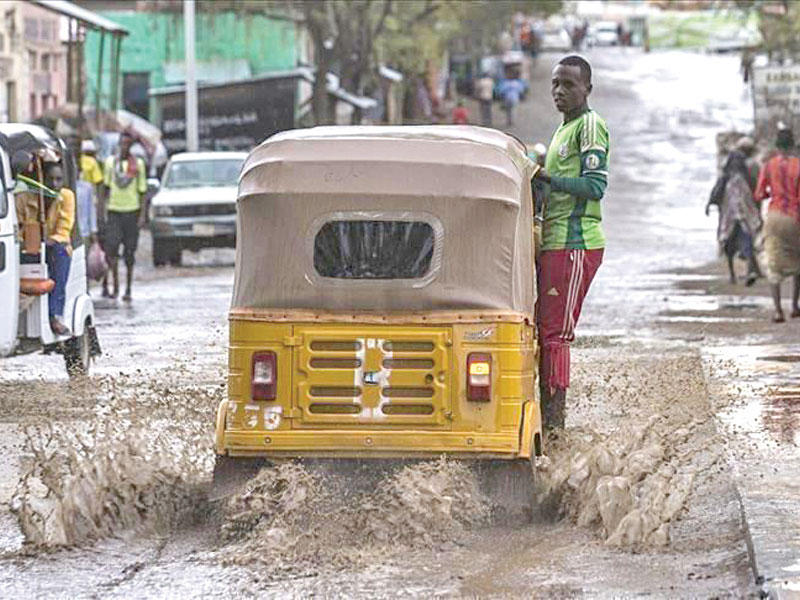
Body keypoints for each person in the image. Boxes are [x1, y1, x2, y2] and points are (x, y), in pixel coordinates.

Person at [532, 55, 609, 429]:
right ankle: (546, 420)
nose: (559, 91)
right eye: (555, 84)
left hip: (575, 243)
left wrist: (548, 178)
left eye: (569, 85)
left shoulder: (591, 126)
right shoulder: (561, 130)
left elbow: (595, 186)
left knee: (556, 336)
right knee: (543, 332)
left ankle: (555, 429)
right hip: (554, 241)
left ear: (587, 89)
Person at [753, 127, 800, 322]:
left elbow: (759, 194)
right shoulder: (799, 165)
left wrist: (771, 193)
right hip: (794, 217)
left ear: (777, 146)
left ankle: (778, 311)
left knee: (773, 263)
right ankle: (795, 306)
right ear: (792, 145)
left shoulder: (768, 165)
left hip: (774, 216)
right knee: (798, 262)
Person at [102, 131, 147, 302]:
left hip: (132, 212)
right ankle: (115, 286)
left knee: (130, 252)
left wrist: (142, 215)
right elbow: (104, 190)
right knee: (111, 249)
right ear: (119, 144)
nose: (125, 146)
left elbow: (143, 192)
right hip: (114, 211)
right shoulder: (110, 164)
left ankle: (128, 288)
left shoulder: (138, 165)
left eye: (129, 144)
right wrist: (101, 213)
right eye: (123, 143)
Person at [706, 150, 762, 285]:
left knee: (729, 246)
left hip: (728, 218)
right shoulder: (748, 178)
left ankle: (733, 275)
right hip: (743, 217)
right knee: (747, 242)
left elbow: (716, 194)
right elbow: (756, 196)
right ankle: (750, 271)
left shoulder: (725, 178)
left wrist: (709, 205)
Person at [43, 163, 76, 335]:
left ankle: (55, 315)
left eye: (59, 179)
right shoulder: (33, 196)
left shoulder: (66, 196)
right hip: (38, 246)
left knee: (59, 253)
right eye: (51, 179)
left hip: (58, 244)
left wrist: (50, 240)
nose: (55, 184)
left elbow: (64, 228)